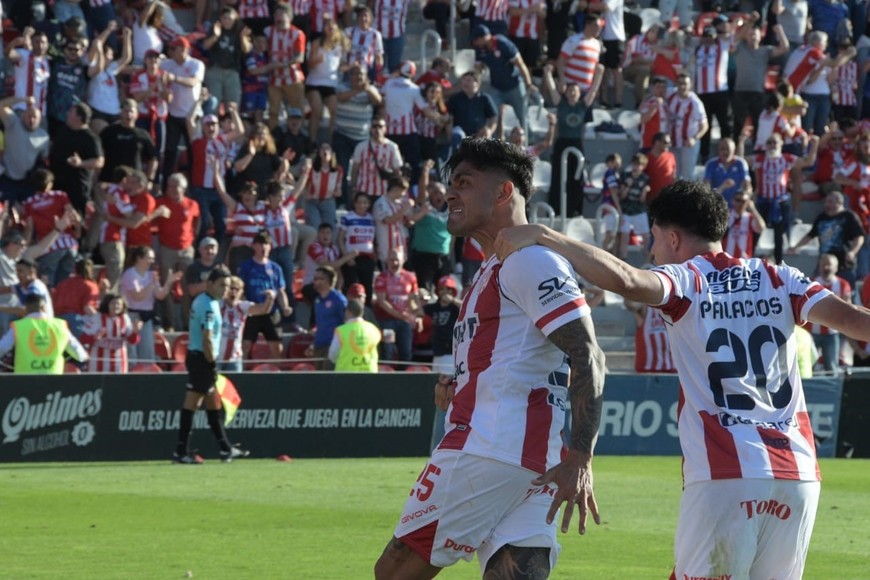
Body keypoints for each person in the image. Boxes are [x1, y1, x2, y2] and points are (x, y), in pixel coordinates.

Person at [493, 179, 870, 579]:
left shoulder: (687, 280)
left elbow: (626, 280)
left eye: (654, 240)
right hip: (799, 474)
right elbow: (853, 321)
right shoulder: (781, 277)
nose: (652, 252)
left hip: (727, 469)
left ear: (672, 237)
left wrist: (545, 235)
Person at [374, 138, 605, 578]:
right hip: (532, 456)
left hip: (489, 447)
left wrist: (581, 455)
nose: (450, 194)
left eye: (464, 182)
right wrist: (462, 389)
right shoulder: (494, 268)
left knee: (395, 571)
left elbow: (588, 354)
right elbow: (531, 358)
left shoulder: (528, 261)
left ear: (503, 192)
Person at [173, 267, 250, 464]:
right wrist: (212, 363)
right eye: (222, 285)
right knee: (194, 403)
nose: (225, 289)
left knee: (211, 403)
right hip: (201, 359)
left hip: (199, 358)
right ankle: (182, 452)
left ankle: (224, 448)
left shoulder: (210, 302)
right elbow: (207, 338)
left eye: (227, 286)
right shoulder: (207, 305)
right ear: (210, 284)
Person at [237, 230, 294, 361]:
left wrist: (285, 306)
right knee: (245, 346)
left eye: (266, 244)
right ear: (254, 246)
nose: (263, 247)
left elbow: (280, 291)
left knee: (276, 347)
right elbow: (240, 288)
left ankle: (276, 376)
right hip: (253, 311)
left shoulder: (275, 268)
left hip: (272, 312)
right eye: (260, 244)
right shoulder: (246, 266)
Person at [789, 190, 865, 287]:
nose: (826, 204)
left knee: (846, 290)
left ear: (839, 202)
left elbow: (859, 237)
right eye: (826, 201)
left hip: (844, 264)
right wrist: (795, 247)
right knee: (813, 288)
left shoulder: (849, 217)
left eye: (830, 202)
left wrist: (853, 252)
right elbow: (810, 235)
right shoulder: (822, 217)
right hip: (824, 263)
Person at [0, 293, 88, 374]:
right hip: (53, 381)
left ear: (26, 308)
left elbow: (2, 347)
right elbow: (80, 354)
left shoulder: (19, 326)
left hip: (25, 382)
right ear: (43, 306)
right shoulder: (60, 326)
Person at [219, 276, 275, 372]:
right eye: (231, 288)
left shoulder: (242, 306)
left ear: (241, 292)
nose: (233, 292)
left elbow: (263, 310)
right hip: (217, 358)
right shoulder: (218, 305)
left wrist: (270, 299)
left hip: (234, 358)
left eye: (237, 289)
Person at [80, 293, 142, 373]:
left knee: (117, 383)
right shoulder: (97, 317)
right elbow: (83, 338)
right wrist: (94, 337)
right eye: (113, 303)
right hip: (98, 360)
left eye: (118, 304)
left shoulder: (125, 318)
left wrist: (135, 332)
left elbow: (132, 341)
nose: (116, 306)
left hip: (119, 360)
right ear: (107, 304)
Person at [306, 265, 347, 370]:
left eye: (319, 279)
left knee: (328, 379)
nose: (315, 282)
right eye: (314, 279)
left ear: (329, 280)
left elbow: (346, 323)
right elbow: (320, 325)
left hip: (333, 346)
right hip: (319, 345)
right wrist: (313, 344)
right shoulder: (317, 301)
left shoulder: (339, 300)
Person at [328, 298, 381, 371]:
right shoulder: (373, 329)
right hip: (370, 374)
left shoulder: (341, 331)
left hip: (345, 374)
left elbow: (332, 355)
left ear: (348, 312)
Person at [722, 193, 766, 259]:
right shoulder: (727, 215)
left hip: (744, 260)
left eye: (743, 201)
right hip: (726, 258)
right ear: (733, 201)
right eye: (737, 200)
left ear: (747, 203)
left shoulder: (750, 217)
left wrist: (753, 209)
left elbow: (761, 228)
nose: (740, 203)